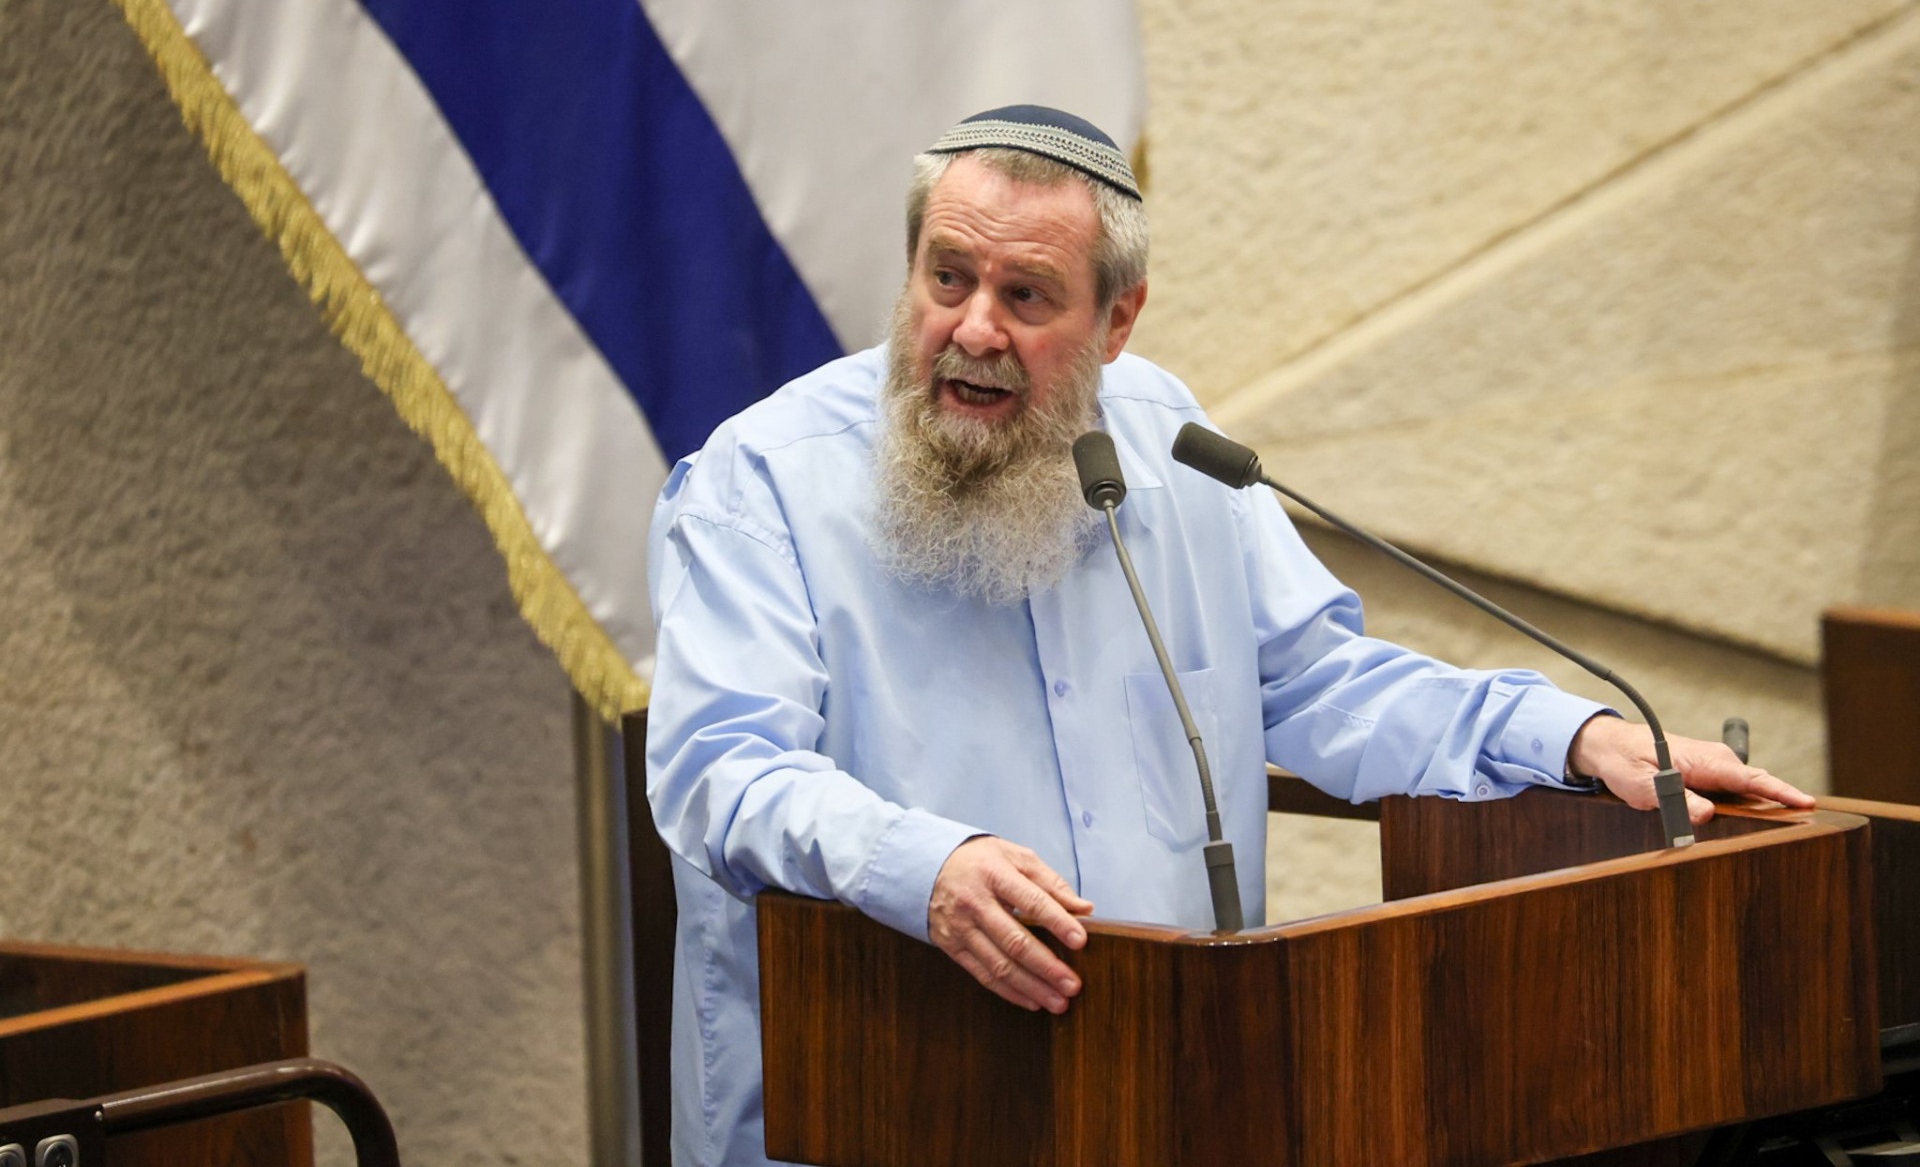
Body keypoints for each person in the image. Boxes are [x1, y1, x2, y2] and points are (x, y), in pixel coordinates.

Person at [644, 104, 1812, 1167]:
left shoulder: (1170, 439)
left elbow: (1319, 683)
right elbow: (719, 770)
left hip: (1156, 1093)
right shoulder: (766, 480)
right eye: (947, 278)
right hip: (874, 1094)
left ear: (1118, 318)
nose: (974, 329)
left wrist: (1576, 735)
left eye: (1028, 295)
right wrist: (926, 866)